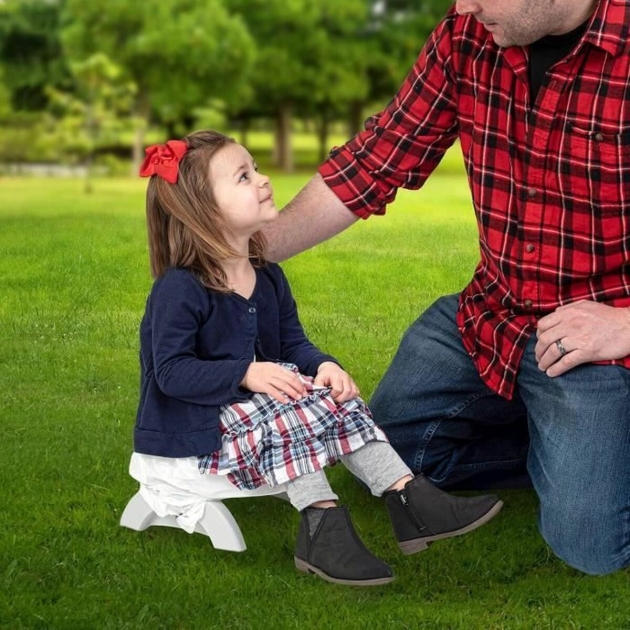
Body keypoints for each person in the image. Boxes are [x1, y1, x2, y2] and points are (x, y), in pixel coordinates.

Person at [262, 0, 630, 576]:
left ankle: (591, 456)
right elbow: (373, 161)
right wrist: (247, 250)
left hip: (598, 342)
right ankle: (558, 444)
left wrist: (625, 326)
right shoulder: (466, 37)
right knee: (384, 454)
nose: (463, 5)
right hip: (493, 312)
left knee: (590, 545)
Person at [132, 130, 503, 586]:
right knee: (288, 409)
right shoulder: (180, 288)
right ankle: (321, 525)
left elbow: (293, 347)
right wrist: (246, 373)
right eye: (243, 177)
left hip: (252, 409)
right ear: (203, 210)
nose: (263, 179)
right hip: (194, 430)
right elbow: (170, 374)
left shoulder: (266, 277)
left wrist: (324, 365)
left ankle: (409, 499)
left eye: (256, 168)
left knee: (332, 396)